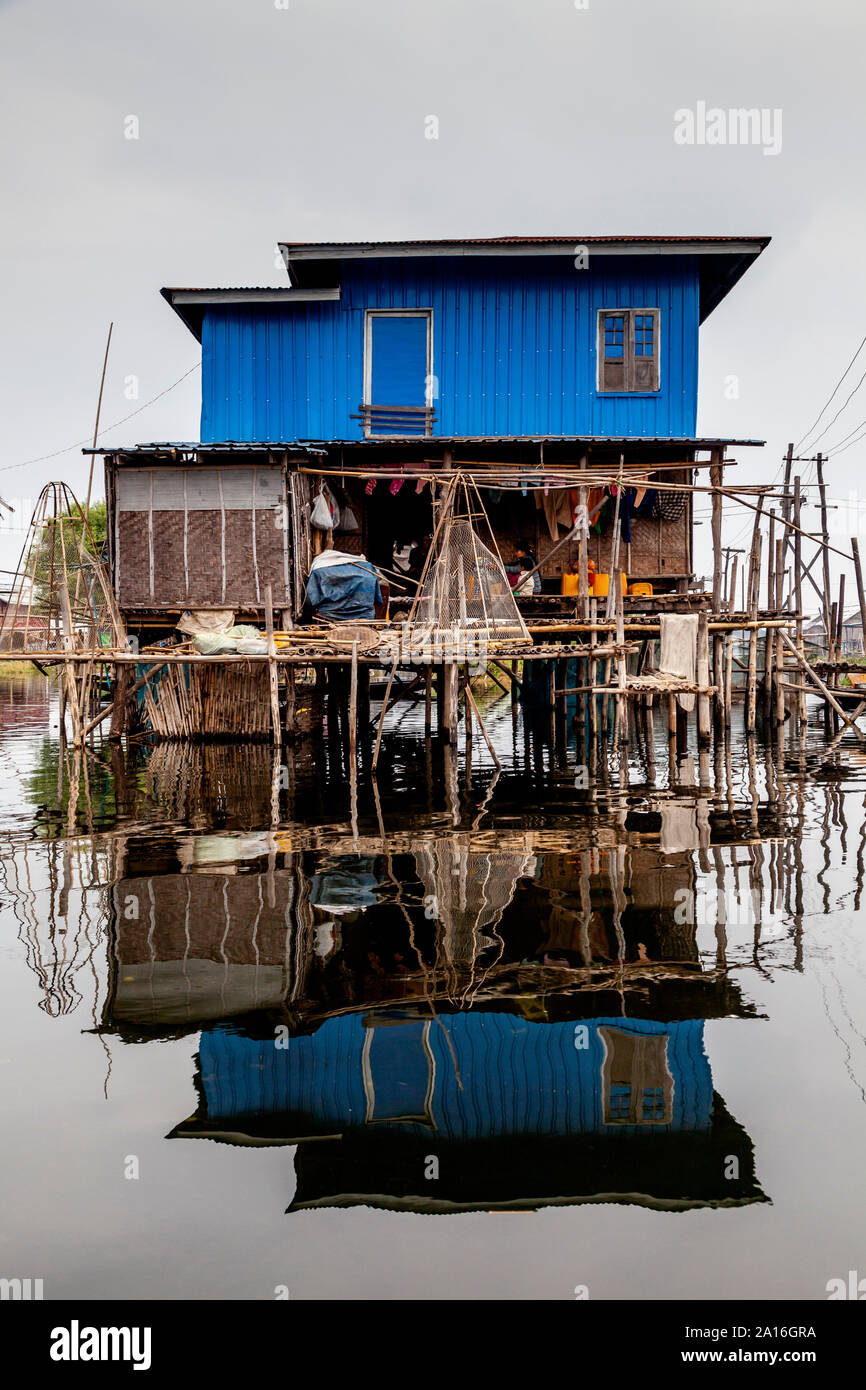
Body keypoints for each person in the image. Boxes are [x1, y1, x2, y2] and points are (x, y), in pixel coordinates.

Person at [304, 547, 382, 622]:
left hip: (328, 618)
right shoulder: (368, 569)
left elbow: (309, 602)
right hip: (364, 618)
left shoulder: (319, 570)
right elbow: (377, 600)